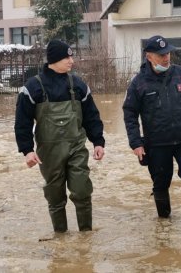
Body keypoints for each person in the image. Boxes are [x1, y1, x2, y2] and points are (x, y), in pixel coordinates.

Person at [14, 39, 105, 233]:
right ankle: (61, 238)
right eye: (67, 56)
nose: (71, 60)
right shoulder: (33, 87)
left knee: (82, 190)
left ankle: (86, 236)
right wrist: (27, 151)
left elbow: (91, 116)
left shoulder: (78, 85)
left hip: (76, 148)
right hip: (49, 152)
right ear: (54, 59)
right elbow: (22, 122)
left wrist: (98, 141)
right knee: (55, 196)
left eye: (71, 56)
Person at [122, 35, 181, 218]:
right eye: (161, 55)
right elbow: (130, 114)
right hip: (157, 143)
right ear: (149, 56)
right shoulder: (139, 83)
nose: (166, 58)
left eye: (167, 53)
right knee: (160, 183)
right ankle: (164, 223)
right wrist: (136, 143)